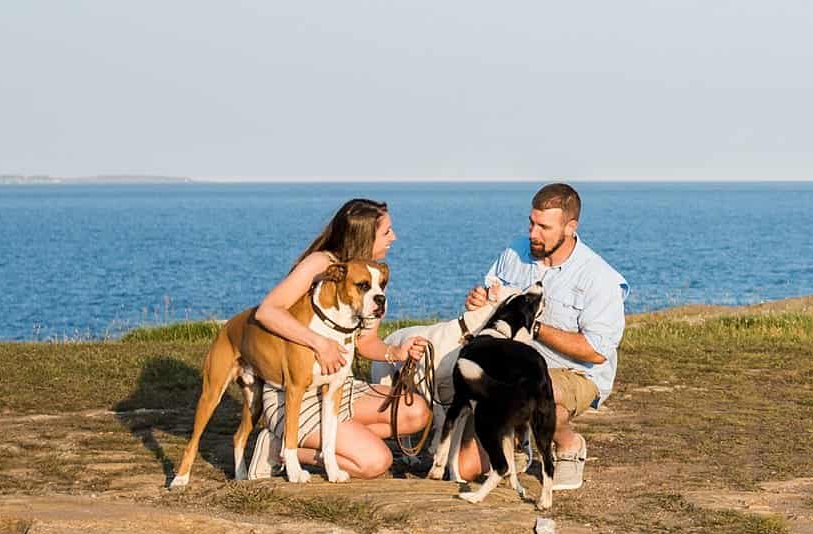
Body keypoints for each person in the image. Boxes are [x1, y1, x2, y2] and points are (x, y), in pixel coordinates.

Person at [454, 181, 625, 492]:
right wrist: (480, 302)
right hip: (509, 366)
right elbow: (493, 302)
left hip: (574, 374)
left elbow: (596, 352)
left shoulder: (598, 277)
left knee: (538, 390)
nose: (533, 233)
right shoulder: (514, 253)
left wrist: (534, 328)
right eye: (531, 223)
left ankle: (569, 446)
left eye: (544, 227)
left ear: (570, 227)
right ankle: (516, 441)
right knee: (464, 469)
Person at [254, 198, 430, 480]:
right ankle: (281, 450)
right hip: (295, 391)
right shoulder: (321, 264)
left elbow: (364, 343)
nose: (394, 238)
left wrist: (396, 352)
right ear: (364, 236)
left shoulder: (373, 279)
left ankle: (336, 440)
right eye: (387, 232)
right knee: (375, 462)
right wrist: (319, 343)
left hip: (335, 386)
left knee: (416, 412)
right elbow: (267, 312)